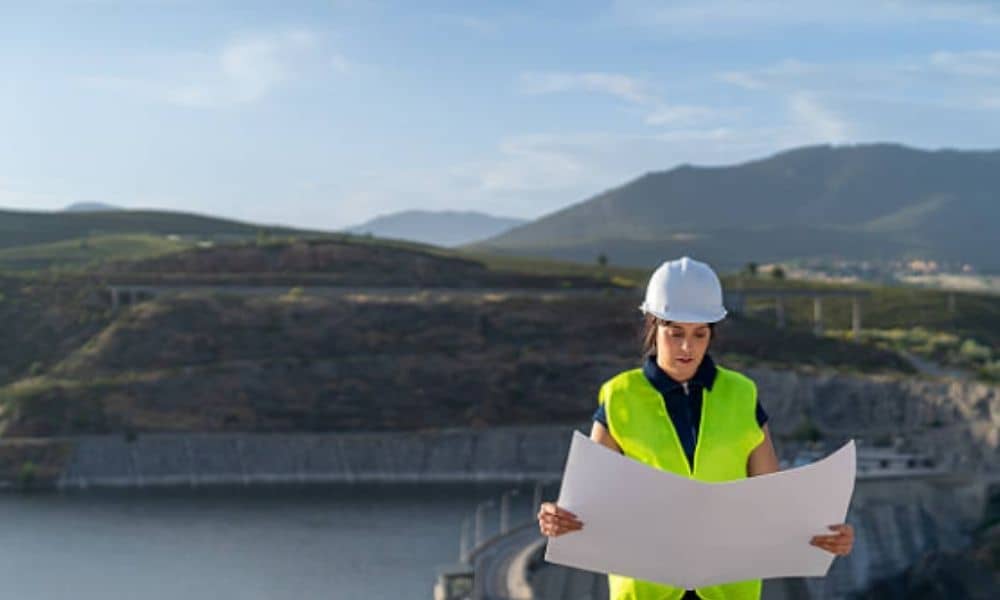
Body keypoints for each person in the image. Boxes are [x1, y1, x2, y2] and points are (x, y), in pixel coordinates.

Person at [536, 256, 854, 600]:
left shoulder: (742, 394)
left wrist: (824, 535)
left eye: (699, 334)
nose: (688, 347)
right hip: (645, 589)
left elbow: (770, 500)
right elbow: (588, 502)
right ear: (652, 327)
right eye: (675, 334)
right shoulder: (619, 397)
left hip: (730, 588)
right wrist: (557, 518)